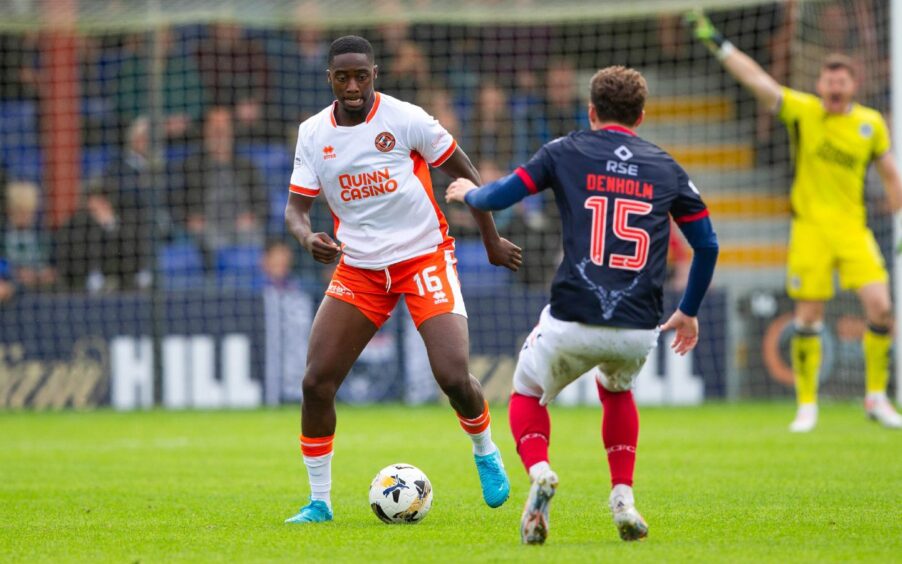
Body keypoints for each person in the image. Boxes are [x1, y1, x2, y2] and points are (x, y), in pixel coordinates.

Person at [446, 66, 720, 544]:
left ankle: (541, 472)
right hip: (639, 324)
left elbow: (500, 195)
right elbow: (708, 245)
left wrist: (467, 192)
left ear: (591, 111)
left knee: (526, 391)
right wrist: (690, 308)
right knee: (616, 391)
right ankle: (622, 498)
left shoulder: (565, 150)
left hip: (573, 313)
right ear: (641, 114)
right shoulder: (665, 166)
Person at [283, 36, 522, 524]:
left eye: (361, 76)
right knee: (316, 382)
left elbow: (465, 170)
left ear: (376, 74)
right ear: (329, 78)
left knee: (453, 375)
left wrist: (490, 238)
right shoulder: (312, 133)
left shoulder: (405, 118)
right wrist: (307, 239)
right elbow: (295, 209)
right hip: (360, 267)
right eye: (342, 77)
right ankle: (319, 502)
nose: (353, 86)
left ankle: (485, 450)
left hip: (423, 257)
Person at [688, 11, 902, 431]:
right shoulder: (804, 112)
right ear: (820, 85)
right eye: (829, 82)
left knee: (881, 309)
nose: (835, 89)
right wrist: (719, 42)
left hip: (852, 229)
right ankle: (807, 405)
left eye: (843, 82)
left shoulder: (870, 125)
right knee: (807, 317)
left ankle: (876, 398)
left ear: (853, 87)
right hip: (810, 229)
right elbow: (758, 81)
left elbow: (891, 175)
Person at [169, 108, 268, 262]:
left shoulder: (247, 167)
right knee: (209, 241)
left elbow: (263, 203)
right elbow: (176, 204)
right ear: (205, 132)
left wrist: (252, 217)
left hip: (240, 226)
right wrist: (189, 219)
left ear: (232, 132)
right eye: (214, 129)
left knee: (252, 238)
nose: (219, 134)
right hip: (207, 227)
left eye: (223, 128)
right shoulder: (191, 166)